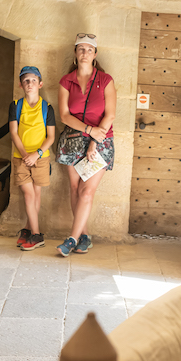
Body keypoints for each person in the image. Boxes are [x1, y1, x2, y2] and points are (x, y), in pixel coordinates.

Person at [55, 34, 116, 257]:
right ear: (75, 52)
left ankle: (71, 238)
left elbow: (110, 115)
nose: (85, 53)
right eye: (81, 49)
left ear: (95, 54)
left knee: (86, 191)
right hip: (72, 140)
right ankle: (84, 236)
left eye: (89, 49)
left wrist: (93, 140)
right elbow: (64, 115)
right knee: (74, 189)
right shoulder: (66, 81)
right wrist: (87, 130)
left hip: (100, 141)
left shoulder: (106, 80)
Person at [10, 65, 56, 251]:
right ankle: (37, 234)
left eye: (33, 81)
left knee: (36, 195)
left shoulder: (47, 108)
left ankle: (30, 231)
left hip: (41, 158)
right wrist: (25, 156)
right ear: (21, 85)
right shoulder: (15, 106)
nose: (30, 84)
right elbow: (13, 133)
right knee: (28, 195)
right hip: (20, 157)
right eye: (26, 81)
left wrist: (35, 154)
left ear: (40, 84)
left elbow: (50, 137)